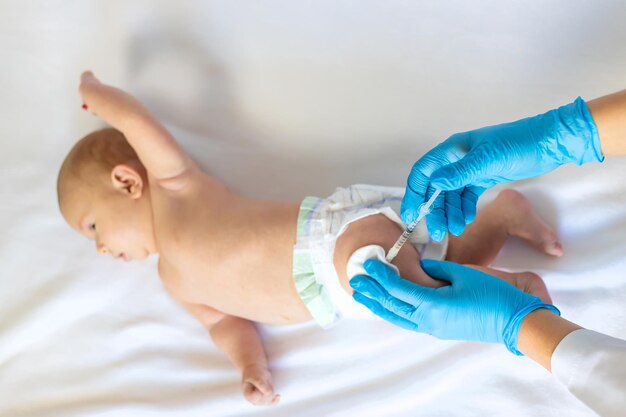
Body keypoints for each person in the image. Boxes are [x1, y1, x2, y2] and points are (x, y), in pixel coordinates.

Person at [58, 71, 560, 406]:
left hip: (332, 241)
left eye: (93, 228)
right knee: (432, 283)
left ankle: (512, 293)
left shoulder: (174, 189)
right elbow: (225, 324)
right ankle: (502, 218)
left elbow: (139, 125)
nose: (101, 249)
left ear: (126, 181)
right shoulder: (174, 279)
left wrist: (98, 96)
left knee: (409, 291)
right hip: (341, 290)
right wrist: (250, 365)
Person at [350, 90, 626, 416]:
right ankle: (500, 218)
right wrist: (559, 135)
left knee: (414, 284)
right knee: (436, 275)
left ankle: (508, 254)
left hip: (334, 242)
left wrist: (519, 324)